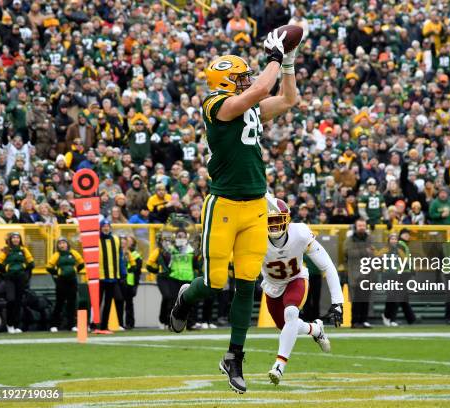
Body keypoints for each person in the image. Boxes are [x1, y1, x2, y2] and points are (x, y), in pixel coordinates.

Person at [169, 28, 299, 394]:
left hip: (256, 205)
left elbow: (288, 99)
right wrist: (273, 56)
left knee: (246, 286)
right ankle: (185, 297)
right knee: (213, 283)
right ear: (225, 81)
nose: (246, 81)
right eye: (240, 77)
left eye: (246, 76)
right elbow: (258, 90)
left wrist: (286, 61)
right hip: (224, 205)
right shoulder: (215, 104)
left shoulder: (249, 105)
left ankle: (234, 357)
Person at [262, 197, 343, 385]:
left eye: (277, 220)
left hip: (295, 279)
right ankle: (315, 329)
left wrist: (337, 301)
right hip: (272, 286)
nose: (274, 225)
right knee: (287, 328)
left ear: (287, 219)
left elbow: (327, 266)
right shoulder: (255, 236)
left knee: (291, 313)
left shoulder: (300, 233)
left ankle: (279, 366)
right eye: (269, 220)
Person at [147, 229, 198, 330]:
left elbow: (196, 263)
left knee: (189, 301)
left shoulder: (191, 249)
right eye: (179, 236)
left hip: (188, 277)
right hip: (174, 277)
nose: (181, 238)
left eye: (183, 236)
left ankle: (190, 323)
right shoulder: (171, 249)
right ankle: (170, 323)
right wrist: (159, 270)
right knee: (173, 301)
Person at [0, 232, 34, 334]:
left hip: (20, 278)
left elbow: (31, 263)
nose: (16, 239)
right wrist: (6, 269)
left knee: (19, 302)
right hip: (9, 278)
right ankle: (9, 324)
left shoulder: (24, 250)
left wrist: (23, 269)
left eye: (17, 238)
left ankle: (16, 325)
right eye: (14, 238)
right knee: (11, 300)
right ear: (10, 240)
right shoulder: (6, 250)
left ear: (20, 240)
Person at [46, 237, 84, 332]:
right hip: (61, 281)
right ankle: (54, 325)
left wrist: (75, 271)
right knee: (59, 303)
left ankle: (71, 325)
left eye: (63, 243)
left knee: (72, 303)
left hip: (72, 280)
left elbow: (81, 263)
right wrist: (58, 273)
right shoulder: (56, 255)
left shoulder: (73, 253)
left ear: (67, 244)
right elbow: (49, 267)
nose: (62, 245)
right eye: (60, 243)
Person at [97, 219, 126, 334]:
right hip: (99, 277)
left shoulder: (116, 240)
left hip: (112, 277)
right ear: (100, 228)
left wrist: (123, 272)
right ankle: (93, 324)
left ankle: (104, 326)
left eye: (107, 226)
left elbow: (120, 257)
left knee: (108, 302)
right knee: (96, 302)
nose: (106, 228)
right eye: (103, 226)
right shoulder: (96, 240)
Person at [382, 230, 416, 326]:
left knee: (396, 297)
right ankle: (390, 317)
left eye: (395, 239)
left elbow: (404, 260)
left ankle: (390, 317)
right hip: (390, 276)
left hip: (397, 275)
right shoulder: (390, 248)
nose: (394, 240)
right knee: (395, 297)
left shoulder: (398, 248)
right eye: (392, 239)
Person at [345, 218, 374, 328]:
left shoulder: (370, 238)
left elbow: (374, 253)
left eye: (363, 225)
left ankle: (364, 320)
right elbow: (348, 252)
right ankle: (355, 321)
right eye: (359, 225)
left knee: (366, 299)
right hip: (355, 274)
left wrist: (364, 251)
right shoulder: (350, 239)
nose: (361, 227)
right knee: (356, 299)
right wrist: (365, 251)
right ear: (355, 227)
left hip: (368, 274)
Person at [121, 236, 142, 330]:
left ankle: (130, 323)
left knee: (129, 303)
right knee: (123, 302)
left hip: (130, 281)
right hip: (123, 280)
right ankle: (123, 323)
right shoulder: (121, 253)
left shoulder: (136, 255)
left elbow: (137, 270)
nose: (126, 242)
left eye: (128, 241)